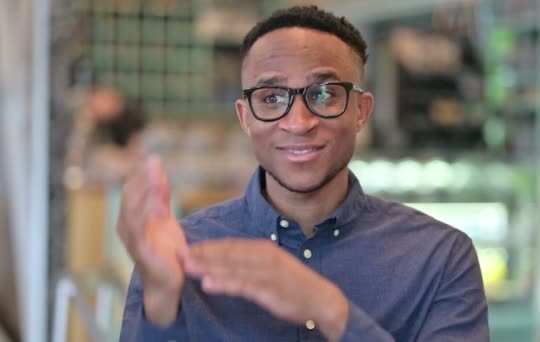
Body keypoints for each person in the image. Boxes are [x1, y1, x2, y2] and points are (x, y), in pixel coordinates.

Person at [117, 5, 489, 342]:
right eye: (271, 98)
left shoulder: (439, 258)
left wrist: (330, 310)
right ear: (245, 117)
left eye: (325, 94)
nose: (298, 123)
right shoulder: (179, 254)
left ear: (361, 110)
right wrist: (162, 299)